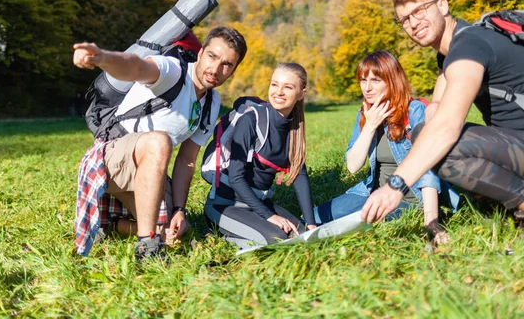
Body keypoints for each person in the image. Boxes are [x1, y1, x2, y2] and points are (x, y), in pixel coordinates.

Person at [362, 0, 524, 225]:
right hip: (515, 143)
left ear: (443, 6)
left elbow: (447, 127)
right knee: (426, 136)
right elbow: (434, 113)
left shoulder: (468, 46)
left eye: (419, 10)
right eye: (405, 19)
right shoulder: (450, 52)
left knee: (445, 149)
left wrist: (396, 185)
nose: (413, 23)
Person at [73, 26, 247, 259]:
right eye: (212, 56)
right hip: (110, 157)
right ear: (200, 53)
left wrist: (179, 210)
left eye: (227, 64)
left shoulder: (211, 102)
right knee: (159, 141)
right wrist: (102, 57)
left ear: (233, 70)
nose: (215, 68)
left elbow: (187, 160)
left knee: (172, 232)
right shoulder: (173, 71)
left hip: (149, 166)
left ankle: (114, 226)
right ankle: (147, 247)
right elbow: (136, 66)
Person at [313, 50, 459, 242]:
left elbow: (427, 166)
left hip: (411, 199)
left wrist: (431, 221)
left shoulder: (414, 111)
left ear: (391, 80)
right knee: (315, 218)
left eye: (375, 80)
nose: (367, 88)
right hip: (372, 193)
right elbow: (352, 166)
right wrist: (371, 126)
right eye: (363, 80)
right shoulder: (365, 114)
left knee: (353, 227)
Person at [204, 63, 318, 248]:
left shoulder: (294, 129)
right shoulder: (251, 120)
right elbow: (236, 177)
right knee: (278, 239)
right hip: (225, 205)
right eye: (274, 84)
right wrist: (270, 216)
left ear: (301, 94)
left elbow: (299, 175)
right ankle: (218, 239)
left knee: (303, 235)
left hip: (259, 204)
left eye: (288, 87)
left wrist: (311, 223)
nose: (279, 92)